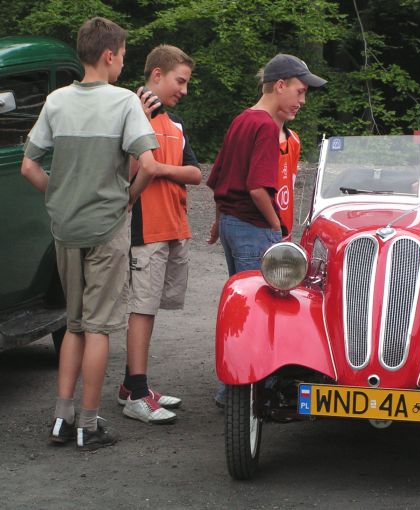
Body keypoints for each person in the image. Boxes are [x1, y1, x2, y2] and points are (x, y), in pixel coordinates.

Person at [21, 17, 162, 449]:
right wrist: (127, 200)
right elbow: (151, 165)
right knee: (99, 329)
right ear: (108, 55)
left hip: (66, 228)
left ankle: (61, 420)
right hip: (106, 228)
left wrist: (59, 196)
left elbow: (29, 165)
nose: (122, 63)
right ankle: (88, 423)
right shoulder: (123, 103)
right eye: (122, 56)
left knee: (74, 324)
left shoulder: (56, 101)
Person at [207, 54, 325, 407]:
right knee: (259, 312)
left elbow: (218, 177)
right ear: (280, 85)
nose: (302, 101)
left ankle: (235, 390)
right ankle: (243, 393)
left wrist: (218, 221)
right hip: (254, 228)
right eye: (299, 92)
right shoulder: (264, 127)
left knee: (240, 306)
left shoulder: (242, 119)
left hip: (232, 223)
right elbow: (258, 188)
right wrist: (277, 229)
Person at [116, 45, 202, 424]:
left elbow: (196, 173)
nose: (183, 89)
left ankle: (131, 385)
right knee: (142, 309)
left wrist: (162, 169)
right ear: (156, 75)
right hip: (145, 229)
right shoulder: (130, 113)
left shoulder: (176, 124)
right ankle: (136, 393)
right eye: (179, 81)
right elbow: (128, 170)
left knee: (151, 310)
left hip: (173, 226)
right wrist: (141, 122)